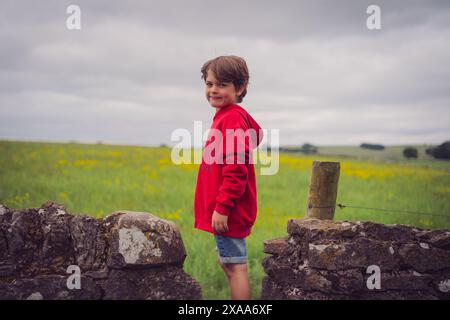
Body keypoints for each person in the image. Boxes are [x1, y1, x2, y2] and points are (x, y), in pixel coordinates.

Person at [194, 55, 263, 300]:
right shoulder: (229, 115)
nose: (213, 90)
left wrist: (222, 207)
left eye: (222, 85)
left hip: (228, 211)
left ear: (240, 87)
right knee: (230, 264)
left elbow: (236, 169)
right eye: (209, 83)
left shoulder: (232, 118)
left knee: (236, 269)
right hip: (228, 209)